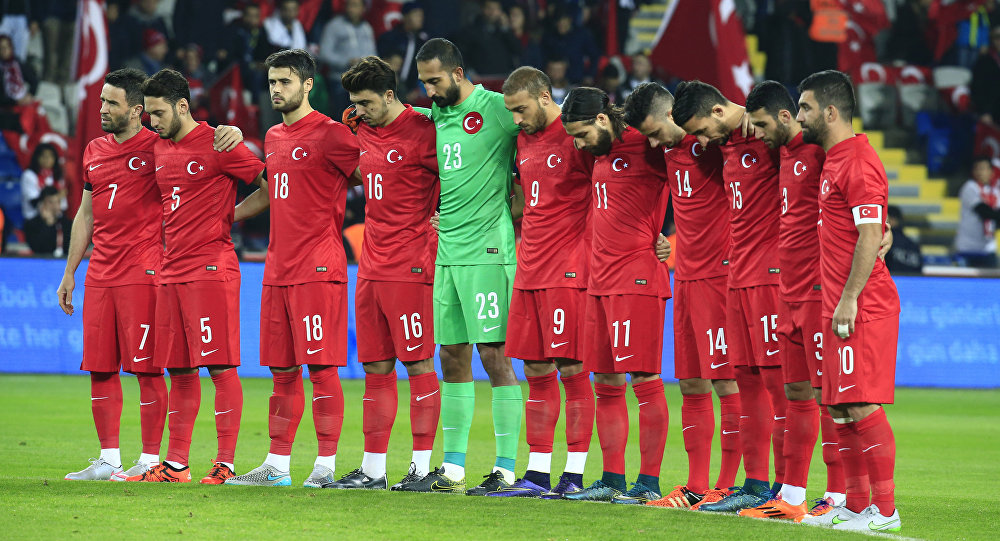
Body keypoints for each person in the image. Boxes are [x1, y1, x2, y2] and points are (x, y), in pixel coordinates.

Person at [58, 68, 243, 482]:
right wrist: (70, 270)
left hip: (146, 271)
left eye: (111, 102)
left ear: (138, 110)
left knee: (147, 369)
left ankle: (148, 457)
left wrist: (231, 130)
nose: (102, 108)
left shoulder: (159, 144)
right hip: (100, 273)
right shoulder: (93, 150)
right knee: (101, 367)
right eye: (102, 100)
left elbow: (203, 148)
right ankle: (108, 459)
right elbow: (85, 214)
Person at [223, 49, 360, 488]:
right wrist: (222, 217)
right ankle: (277, 466)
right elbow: (270, 193)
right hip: (277, 269)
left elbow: (374, 178)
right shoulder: (273, 137)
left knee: (321, 369)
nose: (276, 89)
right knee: (281, 372)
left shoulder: (334, 135)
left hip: (318, 267)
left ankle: (324, 466)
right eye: (271, 82)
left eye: (285, 82)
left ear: (307, 85)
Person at [127, 68, 264, 484]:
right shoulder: (159, 147)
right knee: (181, 371)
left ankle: (225, 463)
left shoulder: (219, 143)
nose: (152, 121)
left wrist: (229, 216)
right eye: (148, 113)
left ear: (182, 106)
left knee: (220, 368)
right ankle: (176, 465)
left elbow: (273, 187)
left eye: (158, 112)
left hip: (211, 269)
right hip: (171, 272)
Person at [399, 38, 523, 495]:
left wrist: (519, 205)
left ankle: (506, 470)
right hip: (446, 252)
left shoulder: (495, 108)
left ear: (457, 72)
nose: (429, 90)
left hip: (488, 252)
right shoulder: (435, 117)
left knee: (494, 355)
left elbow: (550, 128)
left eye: (434, 81)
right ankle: (452, 470)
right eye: (423, 82)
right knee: (450, 355)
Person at [321, 55, 441, 490]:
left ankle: (423, 469)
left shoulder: (426, 130)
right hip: (369, 265)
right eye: (355, 102)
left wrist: (445, 217)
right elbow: (353, 172)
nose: (360, 109)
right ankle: (372, 470)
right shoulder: (360, 129)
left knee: (419, 363)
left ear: (390, 95)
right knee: (375, 366)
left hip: (411, 265)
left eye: (368, 102)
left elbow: (460, 174)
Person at [622, 82, 741, 510]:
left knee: (727, 381)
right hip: (685, 276)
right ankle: (694, 486)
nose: (652, 143)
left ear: (675, 114)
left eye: (656, 131)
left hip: (721, 276)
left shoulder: (712, 143)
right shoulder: (667, 150)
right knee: (691, 382)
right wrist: (665, 241)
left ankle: (727, 486)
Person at [672, 80, 789, 512]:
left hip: (772, 275)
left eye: (702, 131)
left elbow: (825, 162)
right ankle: (756, 484)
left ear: (719, 111)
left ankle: (785, 488)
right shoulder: (724, 143)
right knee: (749, 381)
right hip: (738, 274)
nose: (701, 143)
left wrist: (880, 221)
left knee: (780, 386)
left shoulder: (768, 136)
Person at [794, 69, 902, 533]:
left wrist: (850, 299)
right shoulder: (833, 160)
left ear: (831, 111)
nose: (800, 117)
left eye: (806, 108)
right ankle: (856, 506)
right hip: (837, 303)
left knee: (861, 405)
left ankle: (886, 510)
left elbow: (870, 233)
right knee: (838, 406)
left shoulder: (857, 160)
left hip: (862, 304)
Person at [483, 66, 595, 499]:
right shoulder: (524, 141)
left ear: (546, 97)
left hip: (569, 270)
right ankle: (537, 474)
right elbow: (526, 201)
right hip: (529, 268)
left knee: (572, 368)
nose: (516, 119)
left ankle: (575, 474)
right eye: (510, 111)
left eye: (521, 109)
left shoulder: (578, 136)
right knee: (535, 370)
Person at [559, 87, 671, 505]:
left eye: (582, 134)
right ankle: (612, 480)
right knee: (605, 382)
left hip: (637, 279)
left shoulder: (647, 144)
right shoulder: (600, 153)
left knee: (644, 381)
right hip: (599, 281)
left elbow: (693, 180)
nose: (578, 144)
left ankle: (649, 483)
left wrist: (671, 238)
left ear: (603, 120)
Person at [741, 80, 846, 521]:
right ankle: (792, 496)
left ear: (787, 117)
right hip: (788, 288)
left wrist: (888, 225)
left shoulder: (819, 148)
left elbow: (859, 184)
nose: (758, 134)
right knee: (797, 392)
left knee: (830, 394)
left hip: (820, 289)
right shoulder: (781, 150)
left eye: (763, 125)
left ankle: (840, 496)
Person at [376, 2, 428, 101]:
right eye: (416, 15)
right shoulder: (390, 38)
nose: (420, 18)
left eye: (421, 15)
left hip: (410, 93)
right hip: (388, 89)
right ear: (405, 16)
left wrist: (416, 90)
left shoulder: (421, 42)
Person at [953, 156, 999, 267]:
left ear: (991, 172)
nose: (980, 172)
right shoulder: (970, 188)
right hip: (967, 248)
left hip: (988, 249)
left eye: (983, 169)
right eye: (977, 169)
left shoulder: (996, 193)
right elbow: (984, 211)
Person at [20, 142, 64, 221]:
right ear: (36, 158)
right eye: (43, 156)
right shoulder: (29, 175)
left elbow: (63, 205)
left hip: (55, 217)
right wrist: (56, 197)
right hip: (34, 218)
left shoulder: (57, 175)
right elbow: (35, 203)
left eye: (51, 156)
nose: (47, 159)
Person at [23, 185, 70, 255]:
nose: (55, 206)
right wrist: (48, 224)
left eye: (57, 202)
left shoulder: (66, 224)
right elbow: (38, 249)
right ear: (42, 204)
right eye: (51, 202)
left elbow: (68, 248)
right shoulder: (31, 224)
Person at [971, 24, 1000, 126]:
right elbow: (977, 89)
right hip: (991, 115)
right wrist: (984, 112)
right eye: (997, 37)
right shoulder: (983, 62)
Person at [885, 206, 924, 273]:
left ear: (892, 220)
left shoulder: (886, 241)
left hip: (890, 280)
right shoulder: (913, 244)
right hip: (912, 282)